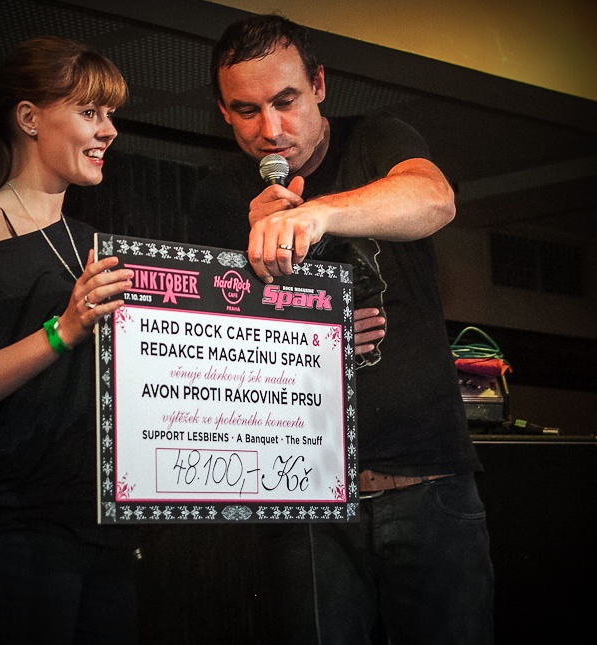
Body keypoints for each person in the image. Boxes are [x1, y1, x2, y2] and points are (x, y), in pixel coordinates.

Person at [189, 14, 494, 645]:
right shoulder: (220, 195)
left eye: (286, 101)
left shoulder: (376, 138)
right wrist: (306, 343)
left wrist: (318, 215)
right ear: (222, 112)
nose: (271, 130)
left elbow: (434, 199)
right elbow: (210, 358)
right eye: (247, 111)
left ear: (320, 85)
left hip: (425, 483)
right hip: (301, 494)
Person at [0, 36, 143, 644]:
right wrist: (64, 330)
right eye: (90, 112)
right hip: (16, 533)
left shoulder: (90, 240)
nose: (109, 131)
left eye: (110, 114)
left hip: (101, 526)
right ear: (29, 118)